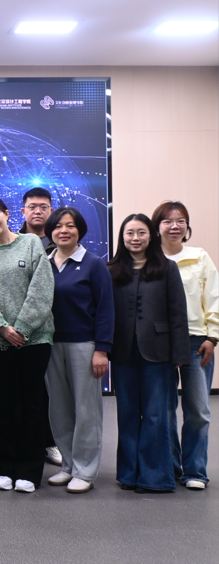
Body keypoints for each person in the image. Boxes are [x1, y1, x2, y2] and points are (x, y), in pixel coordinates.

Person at [0, 196, 55, 493]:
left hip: (35, 340)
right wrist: (1, 327)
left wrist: (22, 328)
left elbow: (42, 289)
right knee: (6, 406)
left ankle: (29, 472)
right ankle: (5, 469)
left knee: (32, 404)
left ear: (7, 214)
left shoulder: (31, 243)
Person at [108, 213, 189, 493]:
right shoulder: (111, 270)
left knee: (156, 415)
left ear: (151, 236)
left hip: (159, 353)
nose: (135, 238)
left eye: (141, 232)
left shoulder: (167, 268)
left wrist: (180, 355)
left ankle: (155, 478)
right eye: (129, 233)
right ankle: (129, 474)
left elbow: (178, 314)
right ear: (122, 237)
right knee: (127, 414)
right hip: (123, 353)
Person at [43, 207, 114, 494]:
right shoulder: (44, 264)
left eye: (70, 225)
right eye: (58, 226)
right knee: (59, 409)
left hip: (85, 345)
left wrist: (102, 350)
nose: (64, 231)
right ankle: (69, 465)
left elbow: (106, 309)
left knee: (86, 410)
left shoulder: (93, 264)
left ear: (80, 230)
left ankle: (86, 471)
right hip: (51, 345)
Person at [152, 201, 218, 491]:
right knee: (164, 410)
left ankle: (195, 471)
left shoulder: (199, 257)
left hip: (196, 341)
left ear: (187, 226)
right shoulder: (150, 259)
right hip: (160, 342)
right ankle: (172, 467)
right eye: (167, 221)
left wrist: (212, 337)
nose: (175, 226)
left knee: (198, 411)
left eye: (181, 221)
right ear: (157, 227)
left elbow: (213, 297)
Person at [17, 187, 60, 466]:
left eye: (43, 207)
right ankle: (29, 442)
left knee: (54, 390)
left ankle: (51, 441)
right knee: (27, 391)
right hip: (21, 329)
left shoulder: (62, 241)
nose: (37, 211)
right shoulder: (14, 243)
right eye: (32, 207)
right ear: (23, 211)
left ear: (51, 211)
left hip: (56, 328)